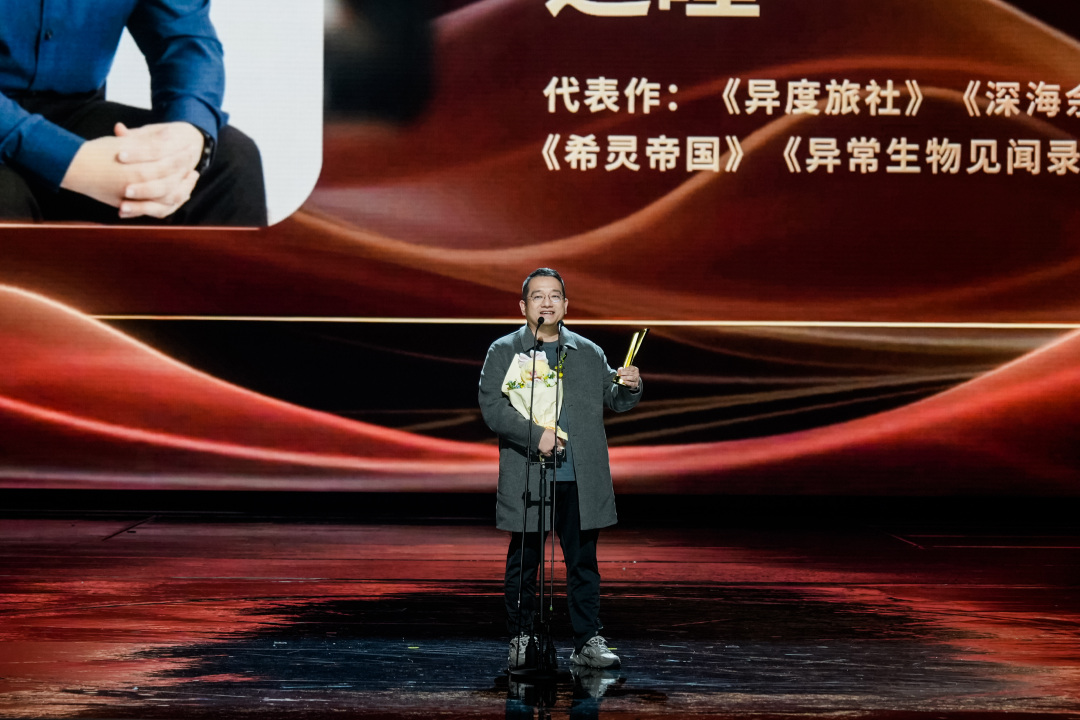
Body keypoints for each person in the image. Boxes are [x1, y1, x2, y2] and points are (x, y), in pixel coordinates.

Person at [478, 268, 642, 671]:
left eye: (554, 296)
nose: (547, 303)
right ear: (523, 306)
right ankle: (522, 638)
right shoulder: (504, 350)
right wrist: (537, 435)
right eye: (538, 296)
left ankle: (587, 641)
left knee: (583, 563)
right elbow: (492, 407)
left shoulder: (587, 351)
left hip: (579, 476)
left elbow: (615, 397)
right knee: (524, 563)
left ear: (566, 304)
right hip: (529, 473)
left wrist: (629, 385)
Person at [0, 0, 267, 225]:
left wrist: (186, 134)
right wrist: (74, 163)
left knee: (231, 163)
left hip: (74, 109)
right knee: (6, 202)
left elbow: (185, 34)